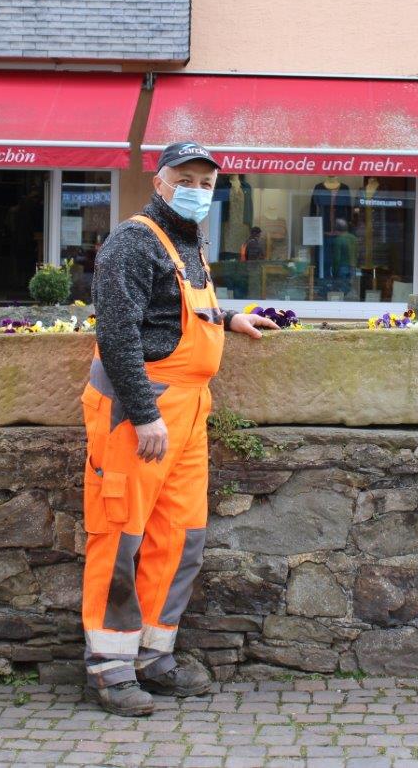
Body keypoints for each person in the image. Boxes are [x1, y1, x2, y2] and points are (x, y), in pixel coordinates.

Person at [80, 141, 278, 716]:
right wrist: (144, 415)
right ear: (160, 180)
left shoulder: (188, 241)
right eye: (186, 178)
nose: (197, 189)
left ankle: (152, 655)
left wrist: (231, 316)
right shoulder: (131, 242)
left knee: (179, 536)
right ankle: (109, 668)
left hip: (190, 411)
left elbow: (178, 309)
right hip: (139, 411)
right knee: (119, 535)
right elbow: (118, 335)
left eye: (206, 181)